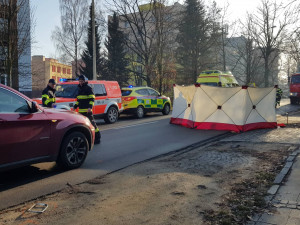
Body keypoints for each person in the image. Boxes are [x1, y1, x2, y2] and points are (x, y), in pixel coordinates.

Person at [74, 75, 101, 144]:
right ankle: (85, 139)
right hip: (81, 111)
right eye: (79, 81)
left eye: (82, 81)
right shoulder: (79, 89)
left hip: (87, 111)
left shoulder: (88, 88)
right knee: (83, 126)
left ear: (84, 81)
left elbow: (92, 99)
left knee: (92, 124)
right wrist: (75, 106)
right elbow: (79, 100)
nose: (80, 82)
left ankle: (97, 138)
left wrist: (90, 107)